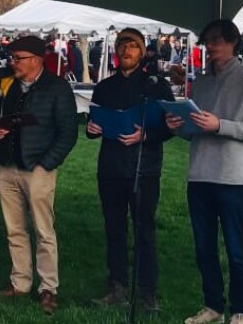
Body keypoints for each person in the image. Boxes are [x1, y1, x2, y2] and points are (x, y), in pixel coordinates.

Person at [165, 20, 243, 324]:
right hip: (200, 174)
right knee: (203, 246)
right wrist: (179, 127)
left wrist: (219, 125)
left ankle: (241, 310)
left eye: (217, 41)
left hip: (233, 177)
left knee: (236, 247)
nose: (210, 47)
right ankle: (213, 305)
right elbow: (197, 128)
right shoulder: (203, 82)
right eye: (207, 41)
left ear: (233, 43)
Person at [85, 28, 174, 313]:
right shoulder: (104, 86)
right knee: (114, 229)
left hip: (143, 168)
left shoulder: (156, 85)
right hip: (110, 167)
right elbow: (94, 123)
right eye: (122, 45)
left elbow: (171, 126)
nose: (126, 50)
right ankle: (117, 285)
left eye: (132, 46)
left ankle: (147, 291)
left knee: (144, 230)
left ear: (142, 51)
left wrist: (146, 136)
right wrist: (92, 128)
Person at [0, 35, 77, 315]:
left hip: (38, 167)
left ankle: (48, 287)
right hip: (8, 165)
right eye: (12, 58)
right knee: (14, 229)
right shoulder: (7, 84)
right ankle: (20, 282)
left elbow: (68, 133)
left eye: (19, 58)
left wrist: (47, 164)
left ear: (36, 60)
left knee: (43, 230)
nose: (13, 63)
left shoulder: (57, 88)